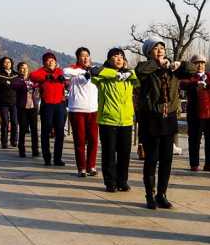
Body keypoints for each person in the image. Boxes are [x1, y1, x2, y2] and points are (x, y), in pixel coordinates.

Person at [136, 37, 196, 210]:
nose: (160, 50)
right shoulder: (146, 68)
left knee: (166, 159)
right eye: (155, 48)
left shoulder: (172, 70)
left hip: (168, 117)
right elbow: (140, 70)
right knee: (152, 159)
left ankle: (162, 194)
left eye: (162, 47)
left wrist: (177, 64)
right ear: (148, 52)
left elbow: (192, 70)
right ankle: (150, 194)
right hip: (151, 117)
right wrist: (159, 64)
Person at [92, 47, 139, 192]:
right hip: (108, 120)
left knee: (125, 154)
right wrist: (115, 74)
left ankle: (122, 181)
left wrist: (125, 73)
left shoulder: (129, 76)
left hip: (126, 120)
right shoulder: (102, 76)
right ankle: (110, 182)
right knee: (109, 153)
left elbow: (139, 77)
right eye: (115, 56)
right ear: (109, 60)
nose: (119, 59)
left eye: (121, 56)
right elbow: (93, 71)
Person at [180, 54, 210, 172]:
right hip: (195, 114)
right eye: (197, 63)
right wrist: (195, 84)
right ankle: (194, 163)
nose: (200, 65)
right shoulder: (190, 77)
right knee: (194, 139)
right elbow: (183, 84)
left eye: (202, 63)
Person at [63, 47, 99, 177]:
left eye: (87, 55)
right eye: (82, 56)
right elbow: (65, 72)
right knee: (80, 140)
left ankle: (91, 166)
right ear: (78, 58)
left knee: (94, 140)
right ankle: (81, 168)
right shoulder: (73, 70)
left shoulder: (95, 69)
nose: (85, 58)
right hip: (77, 109)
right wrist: (82, 72)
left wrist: (91, 71)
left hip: (93, 110)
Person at [30, 52, 67, 166]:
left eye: (52, 60)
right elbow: (32, 76)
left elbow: (68, 81)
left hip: (60, 104)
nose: (50, 62)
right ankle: (47, 157)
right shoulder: (41, 72)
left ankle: (57, 158)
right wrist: (46, 76)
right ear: (44, 63)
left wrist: (64, 79)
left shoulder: (60, 71)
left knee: (60, 132)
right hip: (47, 105)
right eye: (48, 60)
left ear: (56, 62)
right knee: (45, 132)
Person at [0, 57, 19, 149]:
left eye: (9, 62)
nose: (7, 64)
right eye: (5, 62)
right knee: (5, 122)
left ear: (12, 63)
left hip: (14, 102)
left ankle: (14, 140)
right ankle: (4, 141)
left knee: (14, 121)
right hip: (3, 102)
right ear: (2, 64)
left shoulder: (16, 74)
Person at [12, 62, 39, 158]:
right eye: (21, 68)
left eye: (25, 68)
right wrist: (25, 84)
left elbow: (38, 85)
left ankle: (35, 150)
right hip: (22, 107)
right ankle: (21, 149)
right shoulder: (16, 80)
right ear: (19, 70)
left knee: (34, 130)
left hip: (33, 107)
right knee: (23, 129)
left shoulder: (33, 79)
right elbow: (14, 86)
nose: (24, 70)